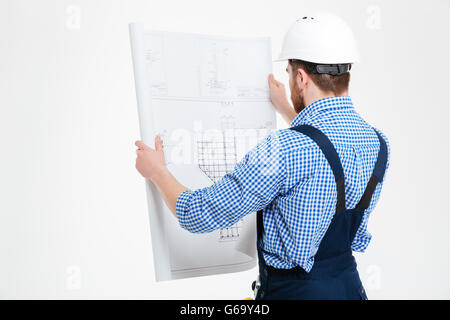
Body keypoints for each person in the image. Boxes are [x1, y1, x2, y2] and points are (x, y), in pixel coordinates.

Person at [135, 12, 390, 300]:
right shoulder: (378, 143)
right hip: (350, 290)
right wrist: (288, 110)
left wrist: (157, 171)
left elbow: (198, 213)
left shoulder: (283, 148)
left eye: (290, 73)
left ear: (302, 78)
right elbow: (328, 155)